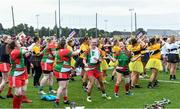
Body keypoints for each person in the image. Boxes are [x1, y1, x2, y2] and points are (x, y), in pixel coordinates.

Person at [83, 38, 111, 102]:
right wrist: (85, 63)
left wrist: (98, 60)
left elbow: (101, 59)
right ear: (90, 43)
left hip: (97, 69)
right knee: (92, 82)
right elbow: (84, 59)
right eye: (93, 42)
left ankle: (104, 94)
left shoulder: (99, 50)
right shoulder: (88, 50)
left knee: (101, 82)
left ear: (97, 43)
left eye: (95, 42)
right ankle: (88, 97)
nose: (94, 43)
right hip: (90, 69)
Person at [53, 38, 80, 106]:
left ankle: (65, 100)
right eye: (66, 44)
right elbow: (75, 53)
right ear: (64, 45)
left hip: (64, 70)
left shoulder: (59, 50)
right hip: (61, 70)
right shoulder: (65, 51)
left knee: (65, 86)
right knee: (62, 86)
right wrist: (80, 49)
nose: (67, 45)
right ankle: (57, 101)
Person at [8, 40, 31, 109]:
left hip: (22, 73)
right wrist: (29, 49)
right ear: (15, 46)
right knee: (18, 92)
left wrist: (26, 51)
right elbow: (24, 51)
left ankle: (19, 107)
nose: (19, 43)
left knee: (21, 92)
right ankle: (15, 108)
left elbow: (25, 52)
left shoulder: (18, 50)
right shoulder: (15, 51)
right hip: (16, 74)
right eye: (18, 43)